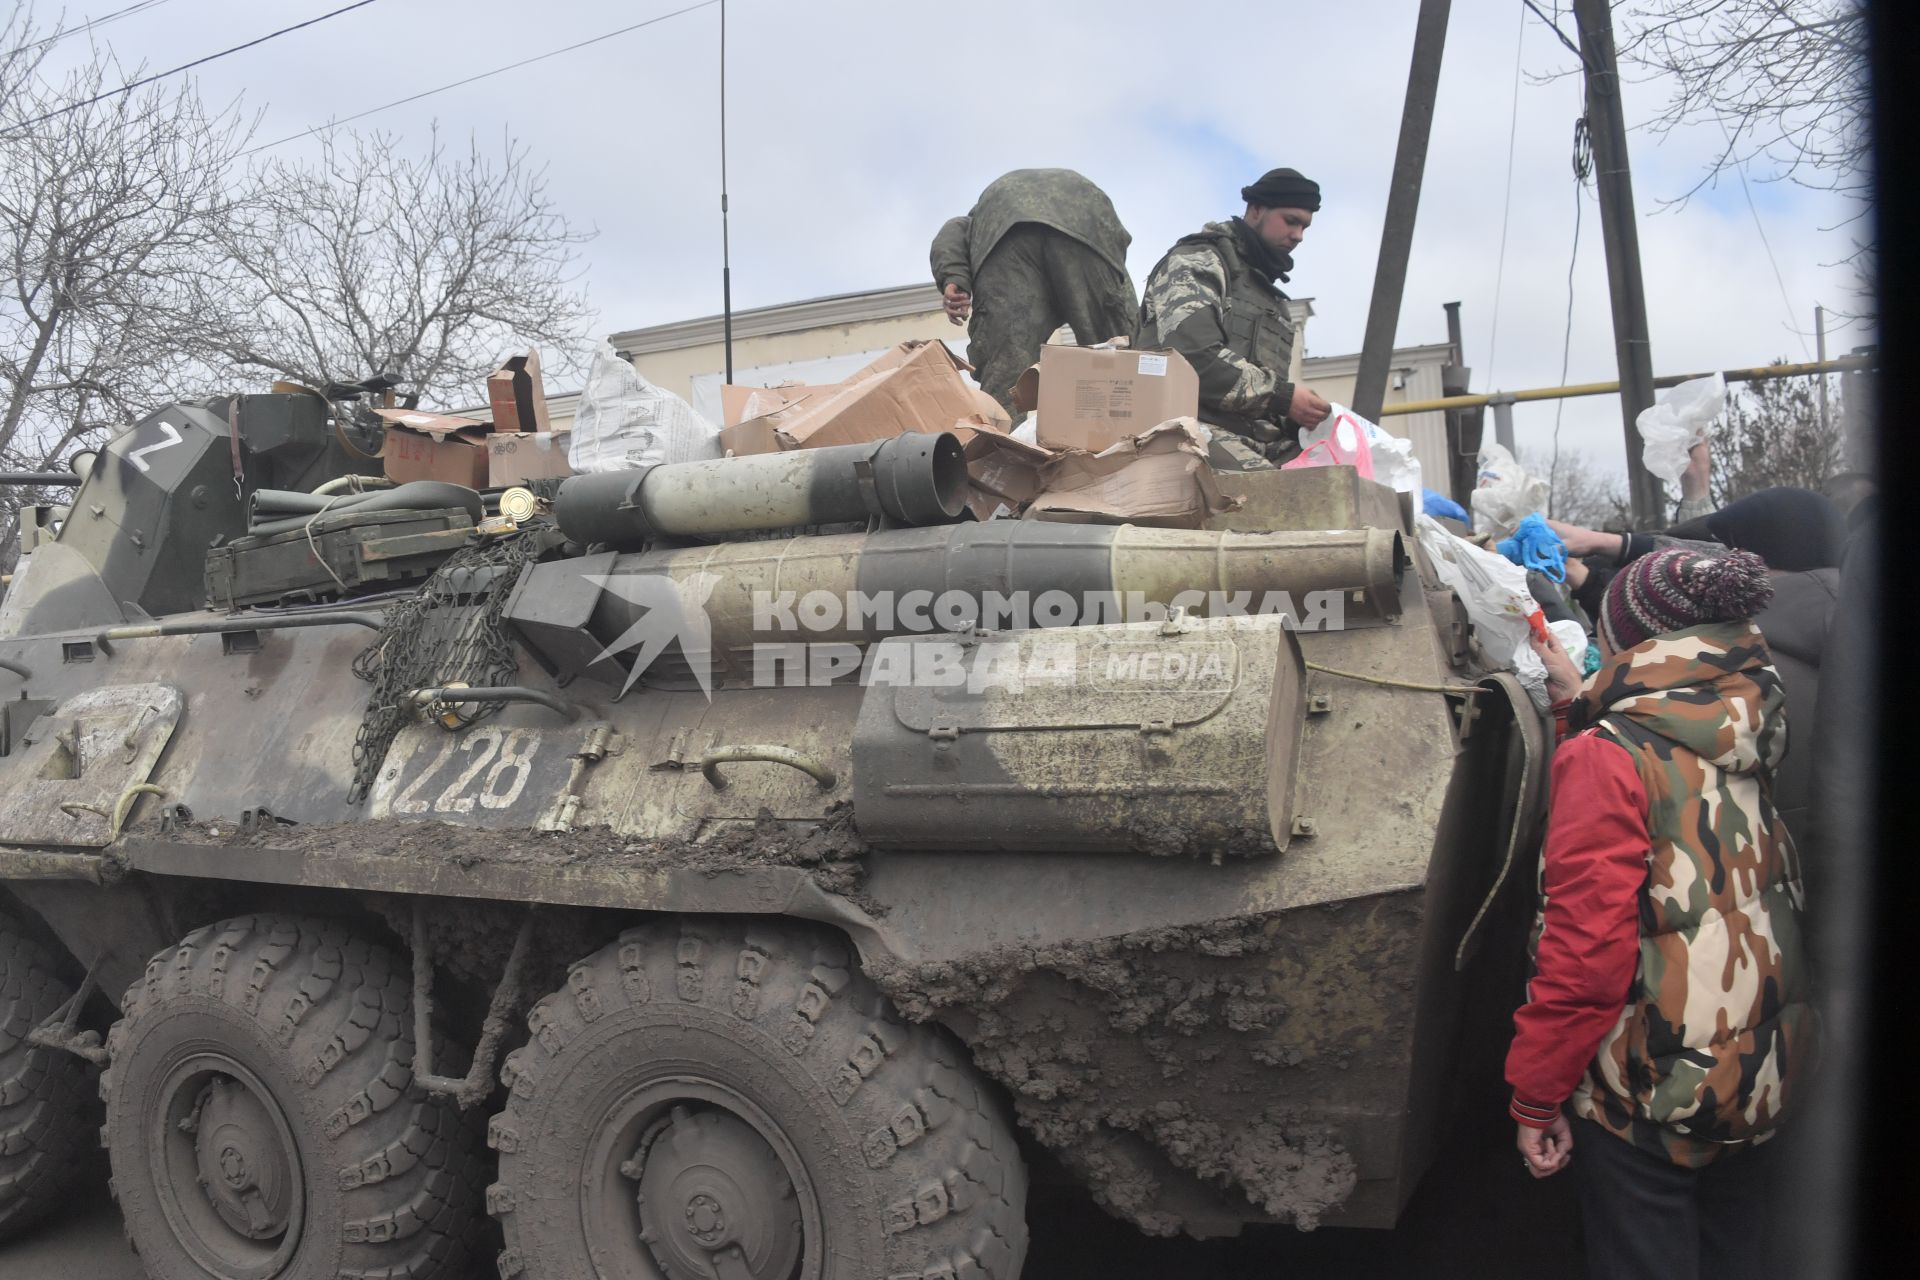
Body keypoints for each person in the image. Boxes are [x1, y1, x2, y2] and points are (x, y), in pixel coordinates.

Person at [1508, 546, 1819, 1280]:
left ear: (1627, 640)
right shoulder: (1745, 716)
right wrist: (1577, 701)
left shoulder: (1605, 758)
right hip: (1759, 1067)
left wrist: (1536, 1096)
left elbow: (1586, 956)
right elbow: (1675, 809)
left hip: (1652, 1095)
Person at [1136, 167, 1332, 471]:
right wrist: (1284, 397)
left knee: (1347, 478)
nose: (1298, 236)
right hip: (1183, 428)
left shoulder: (1270, 299)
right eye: (1291, 221)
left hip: (1253, 438)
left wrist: (1297, 416)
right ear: (1256, 210)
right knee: (1285, 496)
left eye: (1305, 227)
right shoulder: (1199, 261)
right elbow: (1189, 356)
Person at [930, 169, 1138, 417]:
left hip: (1005, 230)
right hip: (1084, 222)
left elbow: (953, 228)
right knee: (1123, 357)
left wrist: (954, 278)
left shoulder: (971, 222)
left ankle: (1006, 448)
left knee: (1006, 372)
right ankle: (1138, 436)